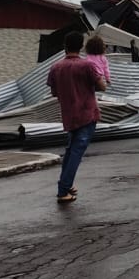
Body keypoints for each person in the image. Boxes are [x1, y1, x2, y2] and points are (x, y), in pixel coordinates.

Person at [48, 31, 107, 203]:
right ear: (81, 46)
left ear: (65, 46)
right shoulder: (87, 66)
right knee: (76, 152)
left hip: (68, 114)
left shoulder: (56, 67)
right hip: (87, 113)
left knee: (71, 150)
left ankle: (67, 185)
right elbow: (102, 86)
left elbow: (54, 92)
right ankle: (63, 190)